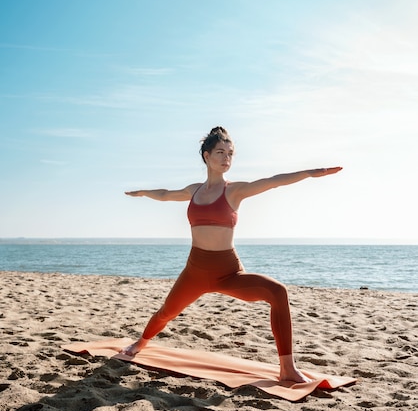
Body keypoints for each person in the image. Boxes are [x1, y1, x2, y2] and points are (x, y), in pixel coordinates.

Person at [121, 126, 342, 383]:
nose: (226, 158)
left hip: (228, 273)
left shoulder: (234, 191)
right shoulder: (194, 191)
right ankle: (140, 343)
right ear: (206, 156)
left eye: (230, 153)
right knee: (165, 313)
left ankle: (287, 368)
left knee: (278, 292)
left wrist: (309, 173)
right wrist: (143, 193)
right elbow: (166, 194)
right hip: (194, 271)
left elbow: (272, 181)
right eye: (220, 152)